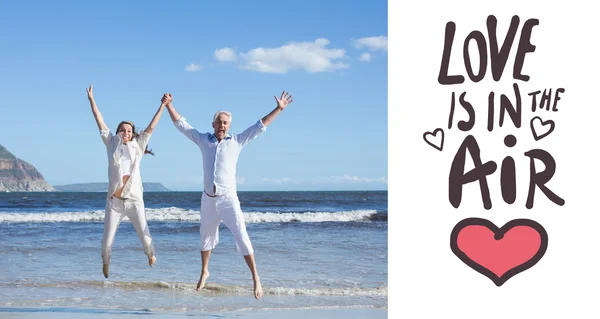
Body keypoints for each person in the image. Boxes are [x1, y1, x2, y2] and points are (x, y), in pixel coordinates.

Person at [162, 91, 294, 299]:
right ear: (213, 124)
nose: (222, 126)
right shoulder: (203, 140)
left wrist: (279, 108)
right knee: (205, 238)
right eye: (219, 122)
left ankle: (256, 278)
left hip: (228, 200)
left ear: (229, 126)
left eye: (225, 123)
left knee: (242, 237)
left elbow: (260, 125)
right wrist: (169, 105)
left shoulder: (238, 141)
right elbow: (181, 125)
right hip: (208, 199)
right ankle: (205, 271)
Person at [87, 84, 166, 278]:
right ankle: (106, 263)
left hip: (134, 201)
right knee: (107, 241)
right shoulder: (111, 143)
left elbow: (152, 126)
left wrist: (163, 105)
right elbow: (100, 121)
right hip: (114, 202)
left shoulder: (138, 145)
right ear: (118, 132)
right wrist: (91, 99)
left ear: (132, 133)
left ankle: (150, 255)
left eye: (129, 130)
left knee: (145, 236)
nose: (125, 133)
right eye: (122, 130)